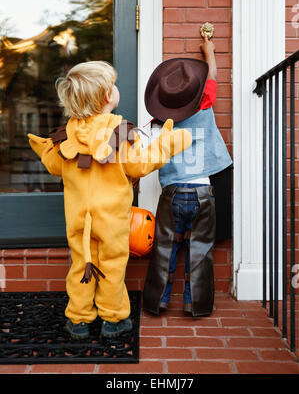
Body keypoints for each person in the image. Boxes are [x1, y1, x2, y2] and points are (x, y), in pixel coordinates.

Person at [27, 61, 192, 340]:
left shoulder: (68, 133)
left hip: (79, 220)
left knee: (81, 265)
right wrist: (168, 143)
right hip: (112, 220)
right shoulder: (120, 130)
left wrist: (44, 148)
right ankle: (113, 320)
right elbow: (139, 166)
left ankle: (78, 321)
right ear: (107, 96)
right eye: (113, 84)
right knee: (112, 266)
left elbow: (54, 165)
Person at [142, 36, 233, 317]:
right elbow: (213, 77)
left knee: (164, 249)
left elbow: (141, 151)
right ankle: (197, 304)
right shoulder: (204, 107)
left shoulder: (157, 125)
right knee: (200, 251)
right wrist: (209, 51)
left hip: (171, 195)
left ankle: (156, 302)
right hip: (203, 193)